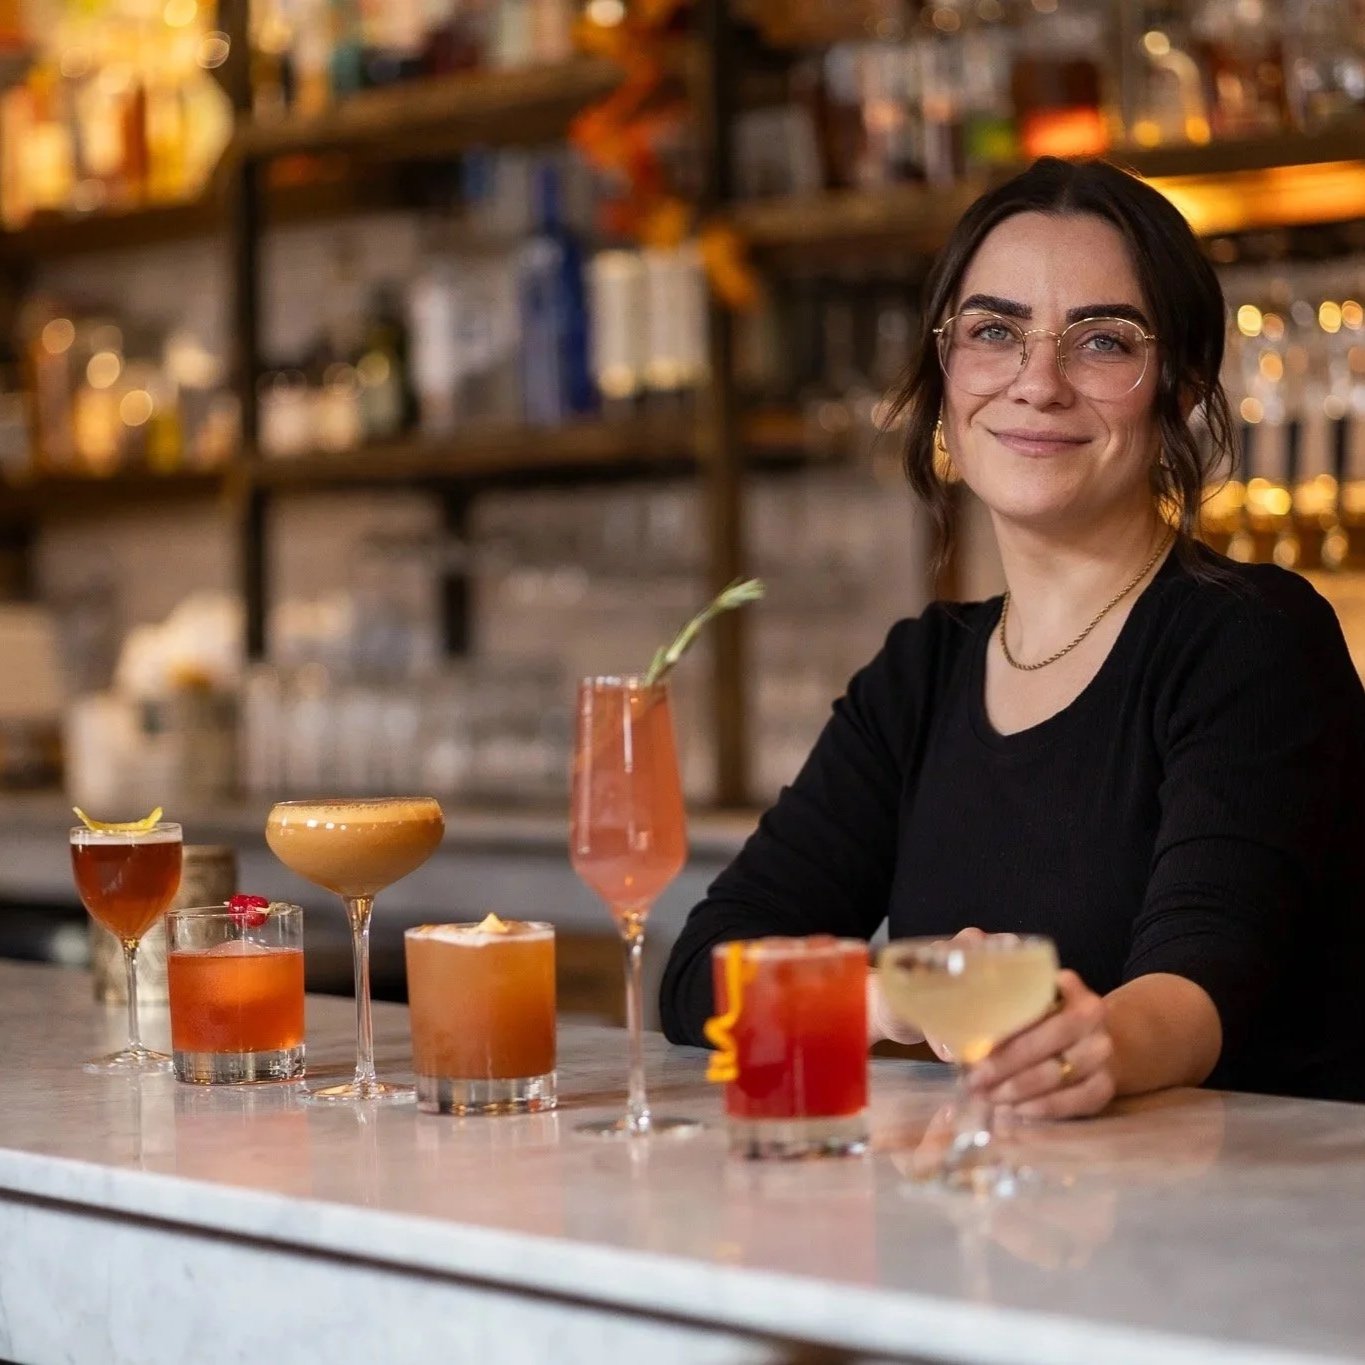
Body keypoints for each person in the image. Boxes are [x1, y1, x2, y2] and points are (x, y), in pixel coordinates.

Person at [659, 156, 1365, 1112]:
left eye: (1102, 341)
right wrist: (898, 993)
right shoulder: (920, 673)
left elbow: (1197, 988)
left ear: (1181, 390)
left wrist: (1090, 1042)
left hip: (1253, 1195)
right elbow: (701, 973)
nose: (1037, 383)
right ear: (944, 373)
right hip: (1009, 1185)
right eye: (994, 331)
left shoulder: (1253, 640)